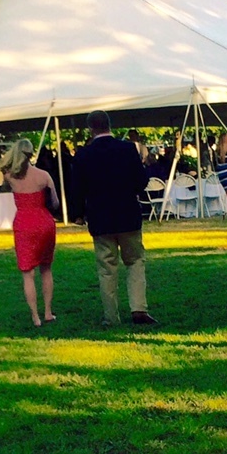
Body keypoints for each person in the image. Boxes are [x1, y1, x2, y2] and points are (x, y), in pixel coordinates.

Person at [70, 110, 155, 327]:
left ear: (90, 129)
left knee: (106, 269)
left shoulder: (83, 155)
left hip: (100, 218)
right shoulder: (127, 149)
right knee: (135, 261)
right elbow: (141, 181)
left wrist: (78, 213)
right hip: (127, 214)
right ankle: (139, 308)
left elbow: (77, 188)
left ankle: (111, 316)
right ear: (110, 125)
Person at [0, 139, 59, 327]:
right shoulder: (44, 175)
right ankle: (48, 312)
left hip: (24, 223)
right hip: (44, 222)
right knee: (46, 269)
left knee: (27, 273)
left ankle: (35, 316)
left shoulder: (9, 176)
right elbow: (55, 202)